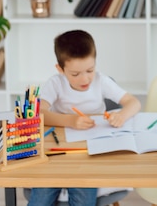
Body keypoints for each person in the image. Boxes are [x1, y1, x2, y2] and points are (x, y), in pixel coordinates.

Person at [28, 29, 141, 206]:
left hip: (91, 152)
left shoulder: (101, 81)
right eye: (75, 74)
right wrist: (70, 121)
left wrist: (121, 115)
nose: (85, 78)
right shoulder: (56, 83)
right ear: (60, 69)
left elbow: (134, 102)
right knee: (41, 198)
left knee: (83, 197)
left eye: (90, 70)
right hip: (58, 151)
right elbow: (39, 113)